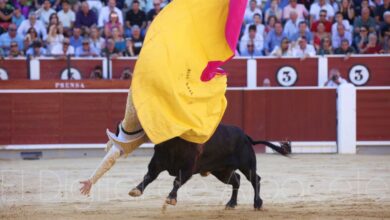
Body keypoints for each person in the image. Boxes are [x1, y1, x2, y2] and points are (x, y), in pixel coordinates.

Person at [80, 0, 247, 196]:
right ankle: (201, 158)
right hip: (151, 98)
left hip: (156, 106)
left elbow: (110, 157)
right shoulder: (134, 114)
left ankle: (200, 156)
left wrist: (93, 179)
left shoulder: (132, 136)